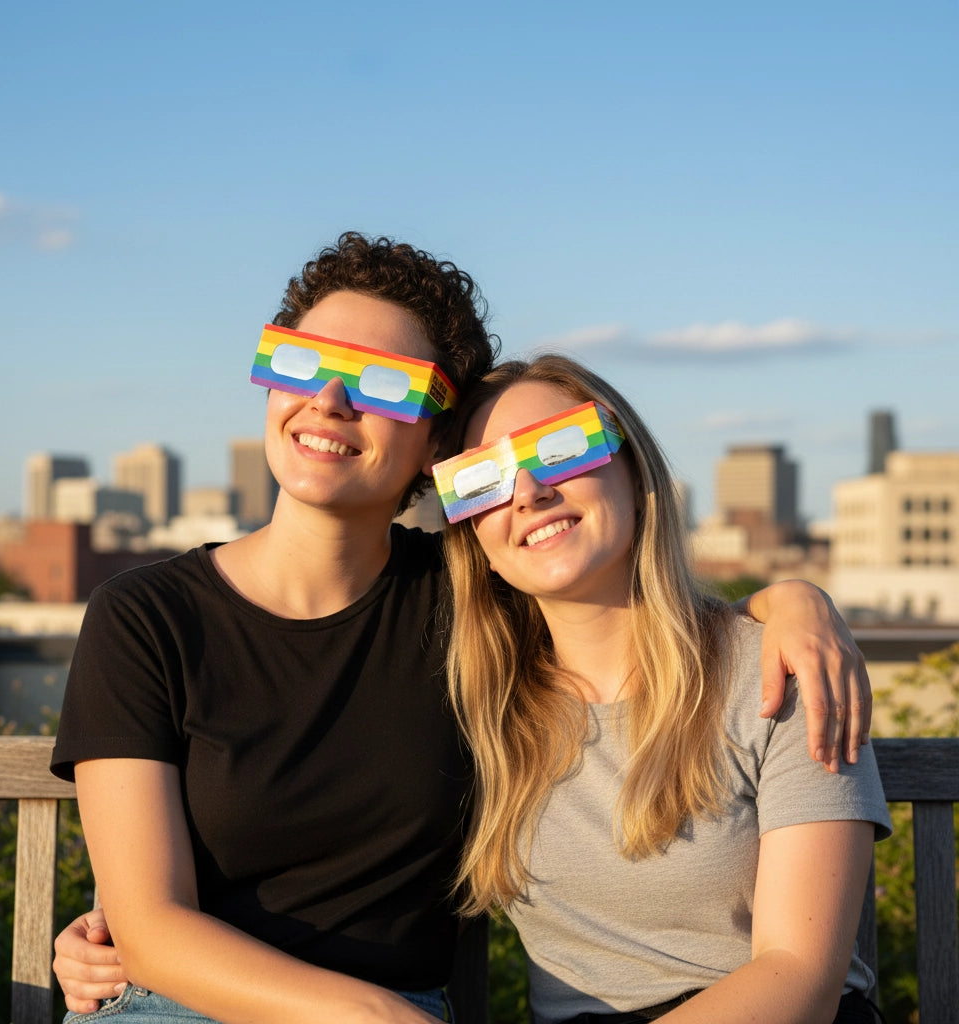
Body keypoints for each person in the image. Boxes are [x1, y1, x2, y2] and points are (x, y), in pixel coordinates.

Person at [50, 233, 873, 1023]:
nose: (328, 401)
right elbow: (151, 926)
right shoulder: (145, 617)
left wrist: (793, 599)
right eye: (303, 363)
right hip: (181, 1008)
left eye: (383, 384)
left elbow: (629, 605)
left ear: (432, 451)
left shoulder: (468, 606)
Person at [433, 354, 891, 1024]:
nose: (527, 489)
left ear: (629, 462)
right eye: (482, 480)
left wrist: (796, 599)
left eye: (560, 448)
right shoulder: (486, 712)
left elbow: (801, 977)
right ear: (473, 534)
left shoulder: (775, 673)